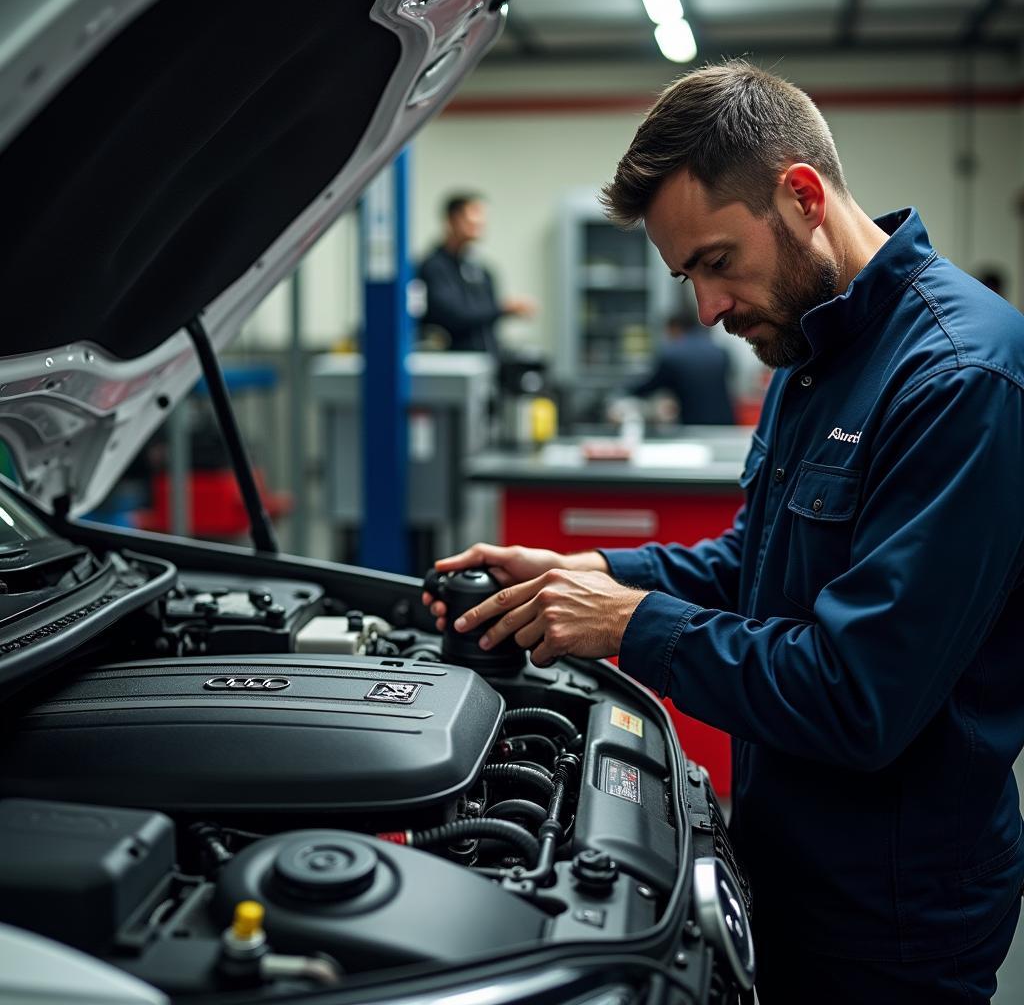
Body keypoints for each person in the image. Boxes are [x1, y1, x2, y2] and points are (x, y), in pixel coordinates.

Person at [424, 62, 1024, 1003]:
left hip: (893, 914)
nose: (705, 309)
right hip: (786, 855)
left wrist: (627, 624)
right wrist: (583, 571)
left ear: (801, 195)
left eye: (715, 263)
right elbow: (754, 560)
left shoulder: (958, 380)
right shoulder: (811, 342)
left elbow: (857, 694)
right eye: (685, 276)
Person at [417, 193, 536, 356]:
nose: (479, 223)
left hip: (486, 363)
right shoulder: (433, 267)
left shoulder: (482, 271)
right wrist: (503, 308)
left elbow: (487, 322)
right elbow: (451, 315)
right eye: (472, 216)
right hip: (453, 365)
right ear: (452, 220)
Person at [627, 310, 735, 424]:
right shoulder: (720, 352)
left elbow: (652, 385)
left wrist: (628, 391)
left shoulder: (673, 355)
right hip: (726, 422)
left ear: (675, 328)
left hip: (694, 424)